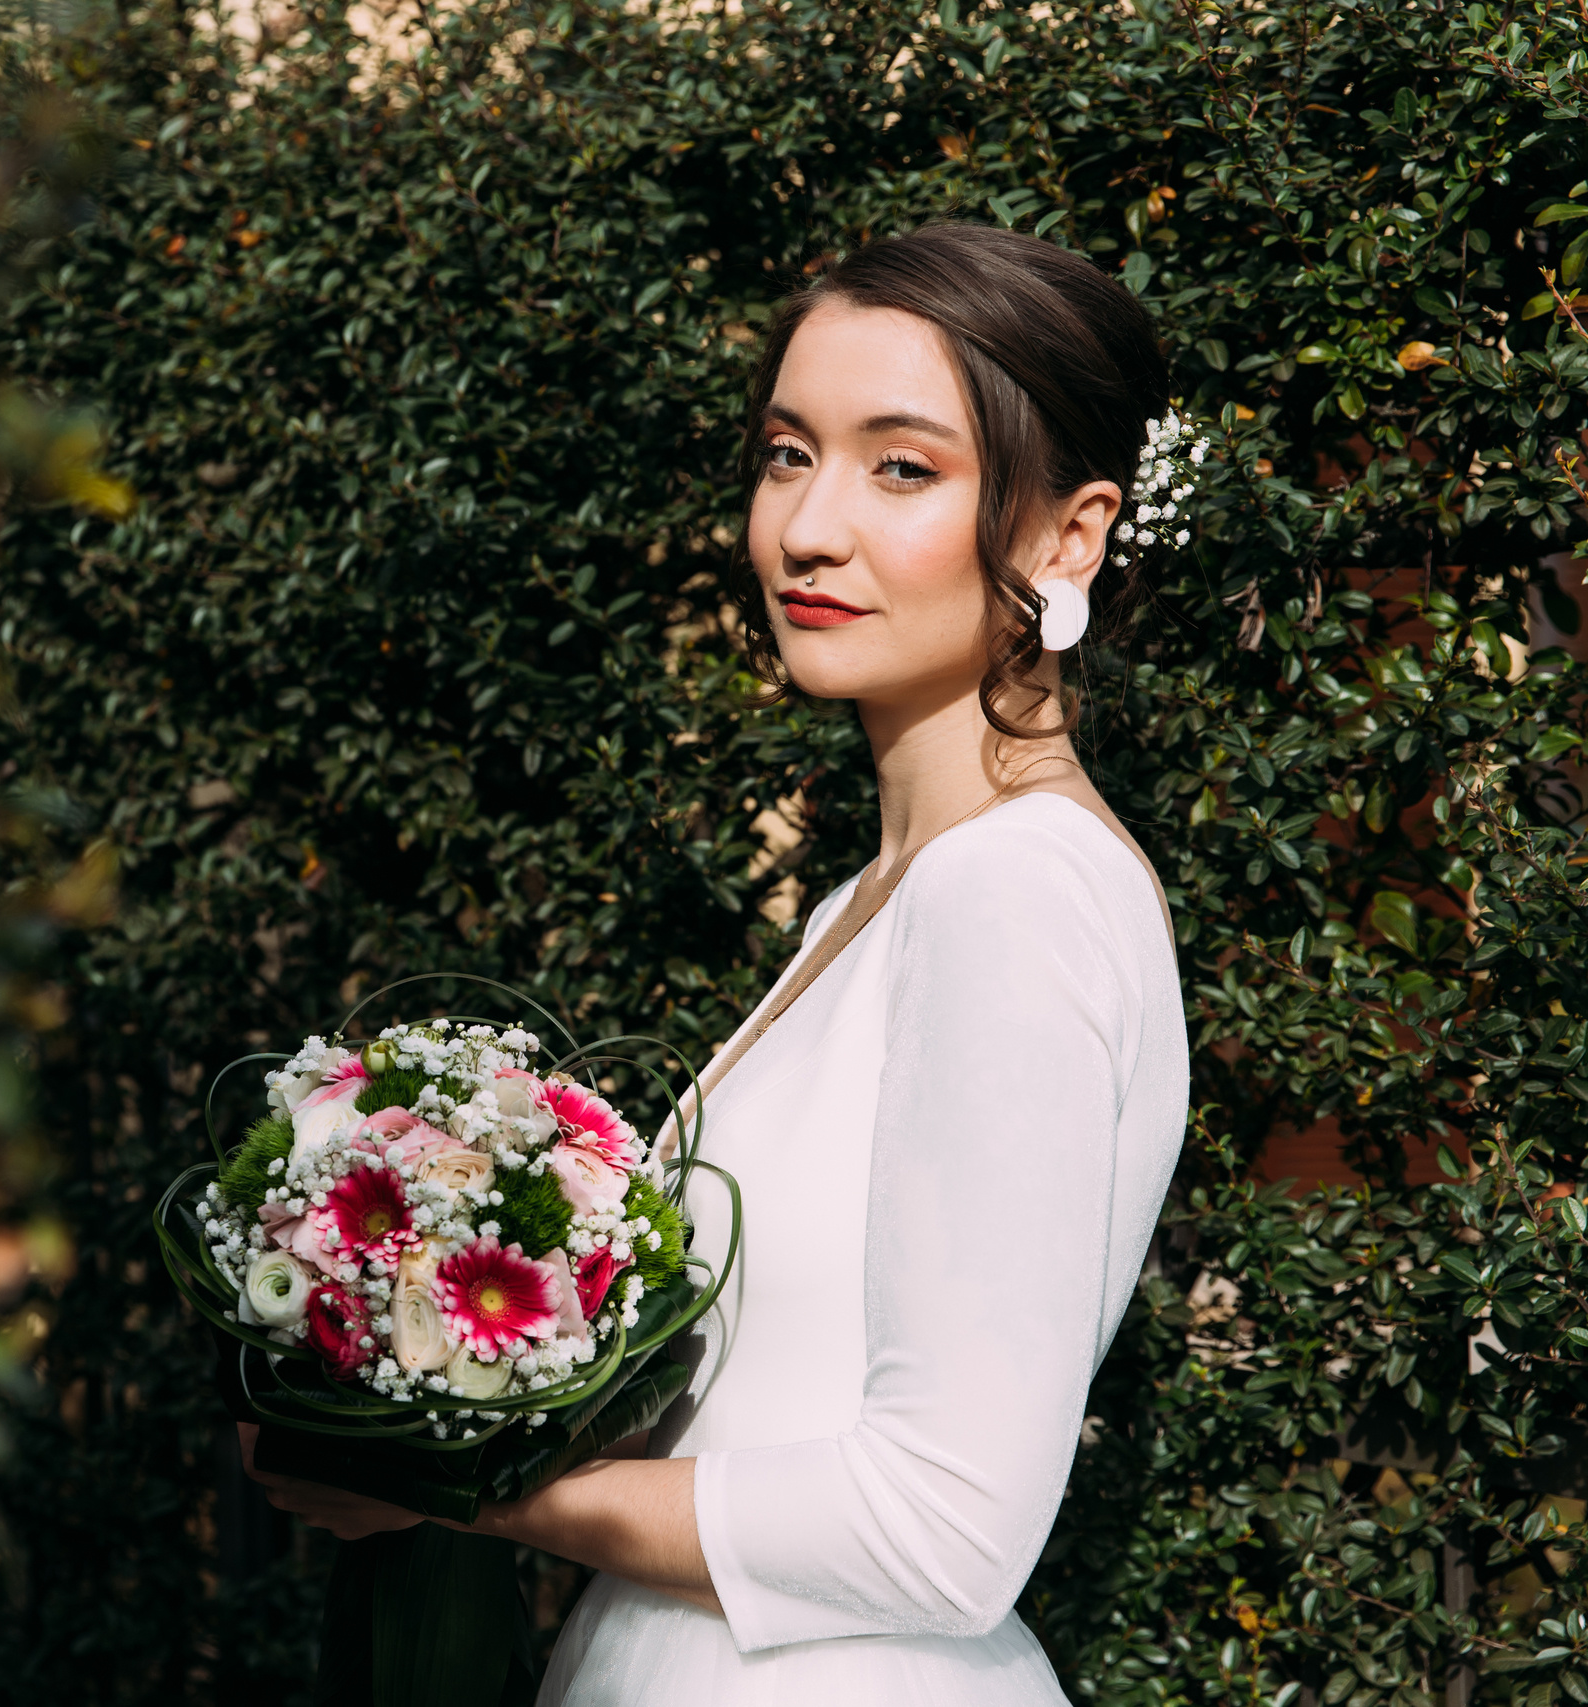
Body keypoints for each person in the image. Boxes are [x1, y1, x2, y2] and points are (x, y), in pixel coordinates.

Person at [243, 222, 1191, 1705]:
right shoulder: (872, 903)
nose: (809, 527)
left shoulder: (1020, 894)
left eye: (902, 467)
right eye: (785, 453)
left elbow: (945, 1529)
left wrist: (463, 1492)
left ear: (1067, 536)